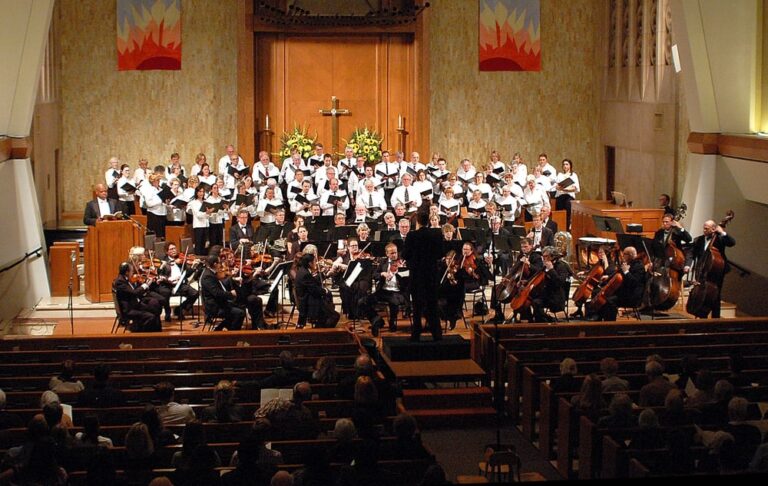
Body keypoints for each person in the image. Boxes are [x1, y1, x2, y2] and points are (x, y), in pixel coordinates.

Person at [402, 210, 443, 341]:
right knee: (432, 303)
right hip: (431, 273)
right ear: (428, 221)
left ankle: (416, 334)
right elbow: (440, 254)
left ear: (417, 221)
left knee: (417, 305)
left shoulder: (412, 236)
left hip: (417, 274)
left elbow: (405, 255)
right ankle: (437, 334)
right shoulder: (436, 234)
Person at [684, 218, 736, 318]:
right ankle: (701, 314)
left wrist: (723, 232)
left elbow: (732, 243)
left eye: (706, 229)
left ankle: (715, 320)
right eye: (703, 228)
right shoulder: (698, 240)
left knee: (715, 296)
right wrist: (687, 265)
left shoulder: (720, 239)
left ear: (713, 229)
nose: (704, 230)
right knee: (701, 293)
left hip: (716, 272)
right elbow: (691, 253)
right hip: (702, 271)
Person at [588, 246, 647, 321]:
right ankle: (598, 317)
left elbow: (634, 283)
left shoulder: (639, 266)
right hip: (623, 292)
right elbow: (616, 273)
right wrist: (608, 277)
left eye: (624, 254)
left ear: (630, 255)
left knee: (609, 300)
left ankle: (610, 324)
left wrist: (626, 272)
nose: (622, 255)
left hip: (631, 296)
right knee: (597, 292)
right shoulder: (626, 263)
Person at [361, 243, 409, 335]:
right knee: (363, 301)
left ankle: (392, 321)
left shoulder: (403, 262)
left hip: (398, 291)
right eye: (391, 253)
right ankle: (376, 320)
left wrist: (402, 272)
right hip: (383, 291)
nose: (394, 255)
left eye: (395, 253)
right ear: (387, 254)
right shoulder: (383, 262)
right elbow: (374, 275)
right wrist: (382, 274)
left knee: (394, 301)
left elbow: (409, 280)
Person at [112, 262, 162, 332]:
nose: (133, 273)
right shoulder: (120, 282)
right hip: (129, 310)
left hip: (134, 305)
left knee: (155, 308)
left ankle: (156, 333)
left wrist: (145, 286)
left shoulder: (124, 279)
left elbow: (133, 292)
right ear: (127, 272)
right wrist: (145, 285)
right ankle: (139, 333)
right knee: (151, 316)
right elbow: (134, 293)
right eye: (132, 271)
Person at [199, 254, 245, 331]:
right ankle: (232, 335)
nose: (221, 265)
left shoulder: (211, 273)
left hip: (219, 303)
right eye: (219, 263)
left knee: (241, 307)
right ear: (215, 264)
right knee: (239, 313)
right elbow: (217, 293)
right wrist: (231, 294)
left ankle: (220, 329)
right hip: (215, 307)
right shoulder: (208, 276)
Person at [294, 253, 339, 329]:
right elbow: (315, 290)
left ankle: (319, 329)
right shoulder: (305, 274)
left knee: (327, 314)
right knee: (335, 316)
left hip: (308, 300)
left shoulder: (303, 270)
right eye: (314, 261)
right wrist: (325, 291)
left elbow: (312, 282)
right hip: (309, 304)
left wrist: (324, 273)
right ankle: (322, 333)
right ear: (310, 263)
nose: (316, 263)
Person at [159, 242, 200, 320]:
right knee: (165, 292)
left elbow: (186, 274)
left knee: (195, 293)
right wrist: (174, 262)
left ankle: (180, 309)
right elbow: (160, 271)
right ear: (167, 252)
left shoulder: (181, 260)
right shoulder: (163, 260)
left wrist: (193, 267)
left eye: (175, 248)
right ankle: (167, 313)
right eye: (171, 249)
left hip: (180, 284)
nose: (174, 250)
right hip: (168, 285)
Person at [531, 246, 571, 323]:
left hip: (557, 298)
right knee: (533, 300)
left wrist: (551, 270)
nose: (543, 258)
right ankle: (543, 321)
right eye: (543, 256)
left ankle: (544, 322)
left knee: (536, 303)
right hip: (547, 295)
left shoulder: (562, 266)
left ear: (553, 256)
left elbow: (559, 283)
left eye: (546, 256)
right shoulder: (546, 266)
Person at [554, 158, 580, 231]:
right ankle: (558, 230)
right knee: (559, 214)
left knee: (567, 215)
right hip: (560, 196)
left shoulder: (573, 175)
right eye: (564, 164)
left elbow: (575, 188)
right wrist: (558, 187)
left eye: (567, 164)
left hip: (568, 197)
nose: (565, 166)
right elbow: (556, 185)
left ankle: (566, 230)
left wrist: (565, 189)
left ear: (570, 166)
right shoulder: (560, 175)